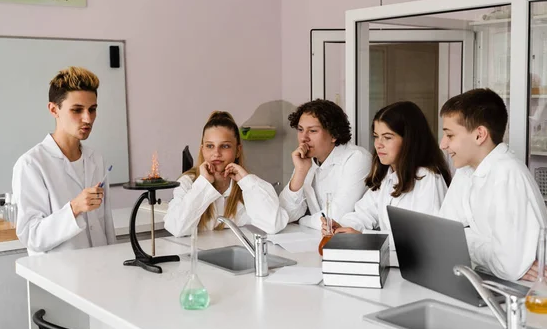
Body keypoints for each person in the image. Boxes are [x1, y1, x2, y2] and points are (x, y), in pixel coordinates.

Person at [438, 88, 547, 283]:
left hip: (533, 292)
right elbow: (442, 235)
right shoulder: (465, 171)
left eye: (450, 136)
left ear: (479, 135)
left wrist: (464, 237)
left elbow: (507, 264)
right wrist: (485, 246)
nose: (442, 144)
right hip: (490, 282)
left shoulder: (507, 174)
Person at [322, 102, 451, 264]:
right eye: (376, 136)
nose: (378, 144)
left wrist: (364, 237)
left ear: (409, 140)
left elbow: (422, 240)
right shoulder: (387, 176)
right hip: (391, 265)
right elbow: (363, 213)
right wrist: (343, 228)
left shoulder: (428, 178)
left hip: (415, 267)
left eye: (388, 137)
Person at [12, 67, 115, 255]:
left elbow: (106, 224)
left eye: (92, 109)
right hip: (59, 276)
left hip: (102, 269)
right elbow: (32, 237)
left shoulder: (96, 159)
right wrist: (74, 208)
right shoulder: (31, 164)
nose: (88, 118)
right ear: (54, 109)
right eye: (77, 110)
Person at [164, 111, 288, 236]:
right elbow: (177, 229)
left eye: (225, 146)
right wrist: (203, 183)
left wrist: (247, 181)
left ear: (238, 150)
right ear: (202, 150)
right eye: (210, 146)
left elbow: (273, 225)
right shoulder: (187, 182)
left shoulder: (248, 185)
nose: (216, 153)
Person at [279, 100, 372, 230]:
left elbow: (334, 219)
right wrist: (300, 172)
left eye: (312, 131)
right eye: (300, 130)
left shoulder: (357, 159)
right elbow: (283, 215)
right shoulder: (306, 160)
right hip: (320, 240)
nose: (303, 138)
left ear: (334, 135)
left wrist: (302, 220)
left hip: (353, 244)